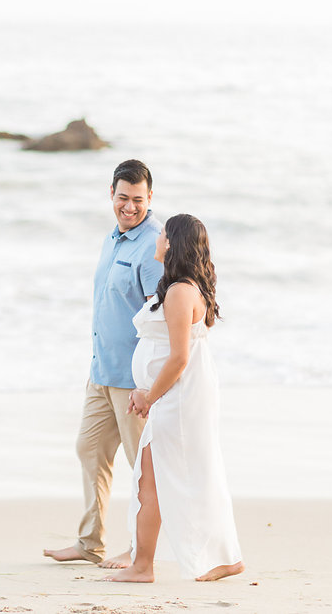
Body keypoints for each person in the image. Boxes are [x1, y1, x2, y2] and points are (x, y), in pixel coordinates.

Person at [106, 214, 244, 583]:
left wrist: (149, 395)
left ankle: (143, 566)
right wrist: (145, 390)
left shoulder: (182, 291)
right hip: (175, 394)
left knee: (154, 480)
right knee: (177, 476)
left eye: (164, 234)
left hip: (179, 398)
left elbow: (180, 357)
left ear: (173, 244)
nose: (157, 238)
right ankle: (210, 558)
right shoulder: (177, 286)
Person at [43, 160, 164, 568]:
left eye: (138, 200)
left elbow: (159, 316)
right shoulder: (113, 239)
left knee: (142, 468)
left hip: (132, 380)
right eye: (123, 198)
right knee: (89, 449)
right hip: (100, 371)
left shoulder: (153, 245)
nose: (129, 207)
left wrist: (147, 383)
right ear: (110, 194)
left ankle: (138, 549)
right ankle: (89, 542)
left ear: (151, 199)